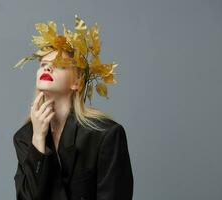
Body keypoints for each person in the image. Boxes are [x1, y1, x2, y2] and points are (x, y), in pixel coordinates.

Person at [12, 15, 134, 200]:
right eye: (43, 64)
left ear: (77, 81)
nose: (47, 69)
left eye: (59, 65)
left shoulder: (105, 135)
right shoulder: (25, 137)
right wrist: (38, 140)